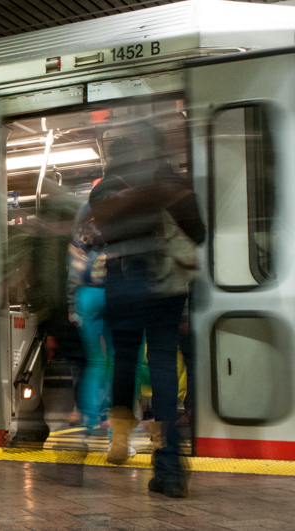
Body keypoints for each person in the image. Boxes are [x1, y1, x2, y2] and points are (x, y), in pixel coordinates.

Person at [90, 128, 204, 498]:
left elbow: (103, 231)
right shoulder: (171, 184)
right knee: (163, 366)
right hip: (168, 288)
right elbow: (199, 234)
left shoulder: (105, 189)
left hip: (123, 286)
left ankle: (119, 444)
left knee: (123, 362)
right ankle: (168, 462)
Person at [67, 199, 112, 432]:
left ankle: (90, 417)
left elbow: (73, 268)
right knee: (114, 358)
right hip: (112, 291)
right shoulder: (117, 210)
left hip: (86, 295)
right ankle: (110, 417)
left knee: (95, 361)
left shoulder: (82, 222)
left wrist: (72, 304)